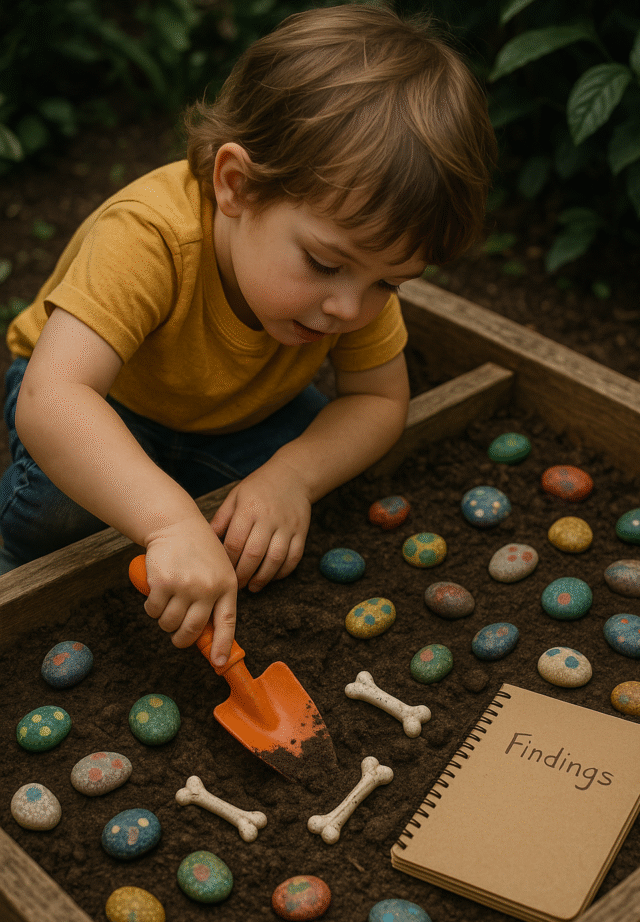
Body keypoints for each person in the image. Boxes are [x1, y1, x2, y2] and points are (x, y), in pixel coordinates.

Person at [0, 3, 496, 667]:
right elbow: (53, 397)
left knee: (314, 479)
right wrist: (171, 522)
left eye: (388, 284)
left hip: (245, 415)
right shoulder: (150, 237)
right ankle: (15, 570)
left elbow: (377, 401)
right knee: (64, 511)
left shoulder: (352, 276)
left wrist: (289, 478)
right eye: (324, 263)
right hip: (106, 408)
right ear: (236, 185)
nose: (350, 307)